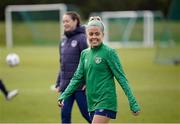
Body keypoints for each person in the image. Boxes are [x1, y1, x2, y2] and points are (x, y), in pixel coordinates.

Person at [58, 16, 141, 124]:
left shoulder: (109, 52)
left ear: (103, 35)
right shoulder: (85, 54)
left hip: (106, 101)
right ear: (86, 35)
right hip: (91, 103)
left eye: (97, 34)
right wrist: (64, 95)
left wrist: (132, 102)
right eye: (91, 34)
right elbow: (77, 78)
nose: (94, 37)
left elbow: (121, 78)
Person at [55, 12, 91, 123]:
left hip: (80, 87)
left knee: (88, 115)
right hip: (66, 87)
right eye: (63, 22)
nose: (65, 24)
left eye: (67, 21)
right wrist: (58, 83)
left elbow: (88, 62)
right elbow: (62, 64)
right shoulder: (63, 41)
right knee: (65, 116)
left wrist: (87, 82)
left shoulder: (82, 38)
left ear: (75, 21)